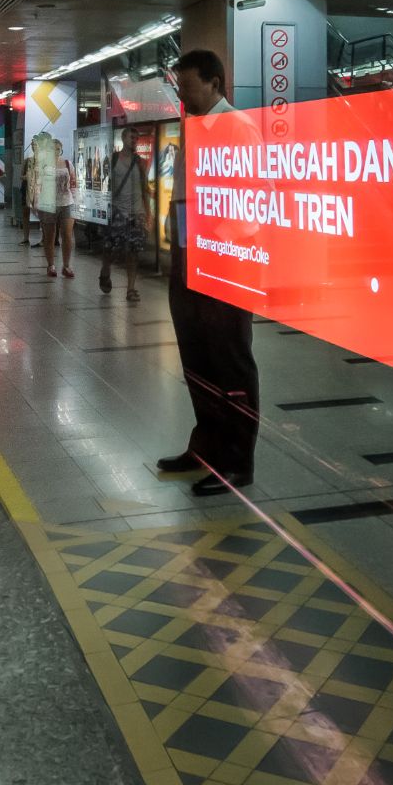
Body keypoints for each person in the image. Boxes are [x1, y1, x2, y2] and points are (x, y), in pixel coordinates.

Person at [158, 49, 260, 497]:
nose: (182, 93)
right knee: (196, 358)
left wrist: (215, 239)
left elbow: (254, 202)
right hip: (187, 255)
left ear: (215, 83)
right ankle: (205, 448)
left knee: (230, 360)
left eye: (188, 85)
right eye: (179, 86)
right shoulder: (191, 127)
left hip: (225, 259)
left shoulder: (239, 129)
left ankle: (238, 461)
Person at [98, 133, 151, 300]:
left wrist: (148, 211)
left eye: (136, 138)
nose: (134, 140)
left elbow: (144, 188)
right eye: (131, 137)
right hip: (117, 211)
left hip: (137, 212)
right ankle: (105, 269)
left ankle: (131, 288)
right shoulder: (114, 159)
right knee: (111, 247)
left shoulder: (140, 162)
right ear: (123, 139)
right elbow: (104, 184)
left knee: (133, 251)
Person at [40, 138, 77, 279]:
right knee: (49, 236)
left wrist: (77, 201)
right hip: (48, 203)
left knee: (67, 235)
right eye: (51, 149)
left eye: (57, 149)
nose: (54, 152)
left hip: (67, 202)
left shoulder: (68, 164)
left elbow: (73, 183)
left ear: (60, 150)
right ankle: (51, 265)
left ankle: (66, 265)